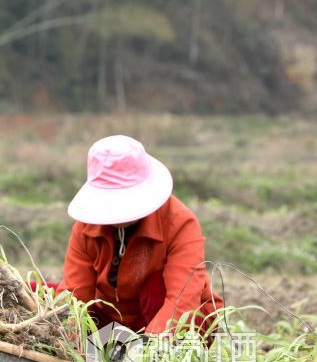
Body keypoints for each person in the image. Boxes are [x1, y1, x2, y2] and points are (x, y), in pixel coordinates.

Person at [57, 135, 223, 336]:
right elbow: (76, 296)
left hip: (176, 325)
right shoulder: (86, 228)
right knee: (41, 291)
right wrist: (68, 343)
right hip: (116, 323)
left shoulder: (180, 223)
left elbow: (183, 300)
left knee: (155, 290)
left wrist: (145, 353)